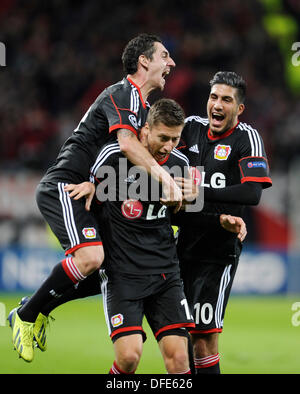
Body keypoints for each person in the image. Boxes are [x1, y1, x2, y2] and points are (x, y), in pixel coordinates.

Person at [7, 33, 180, 363]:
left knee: (113, 267)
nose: (170, 63)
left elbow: (120, 157)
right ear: (144, 61)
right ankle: (28, 314)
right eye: (164, 56)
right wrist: (166, 181)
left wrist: (100, 185)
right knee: (90, 258)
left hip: (89, 189)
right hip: (66, 185)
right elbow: (127, 146)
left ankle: (38, 309)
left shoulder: (143, 109)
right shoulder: (124, 92)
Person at [175, 71, 272, 374]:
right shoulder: (190, 128)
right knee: (180, 339)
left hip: (217, 252)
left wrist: (200, 191)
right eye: (214, 97)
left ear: (239, 108)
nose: (217, 104)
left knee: (203, 338)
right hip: (181, 245)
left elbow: (253, 192)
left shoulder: (247, 138)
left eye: (226, 100)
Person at [94, 98, 195, 374]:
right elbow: (88, 196)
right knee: (129, 357)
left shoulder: (180, 163)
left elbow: (188, 215)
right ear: (146, 129)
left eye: (175, 139)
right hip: (123, 272)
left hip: (164, 272)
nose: (168, 146)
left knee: (179, 359)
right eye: (163, 137)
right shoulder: (113, 157)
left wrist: (211, 210)